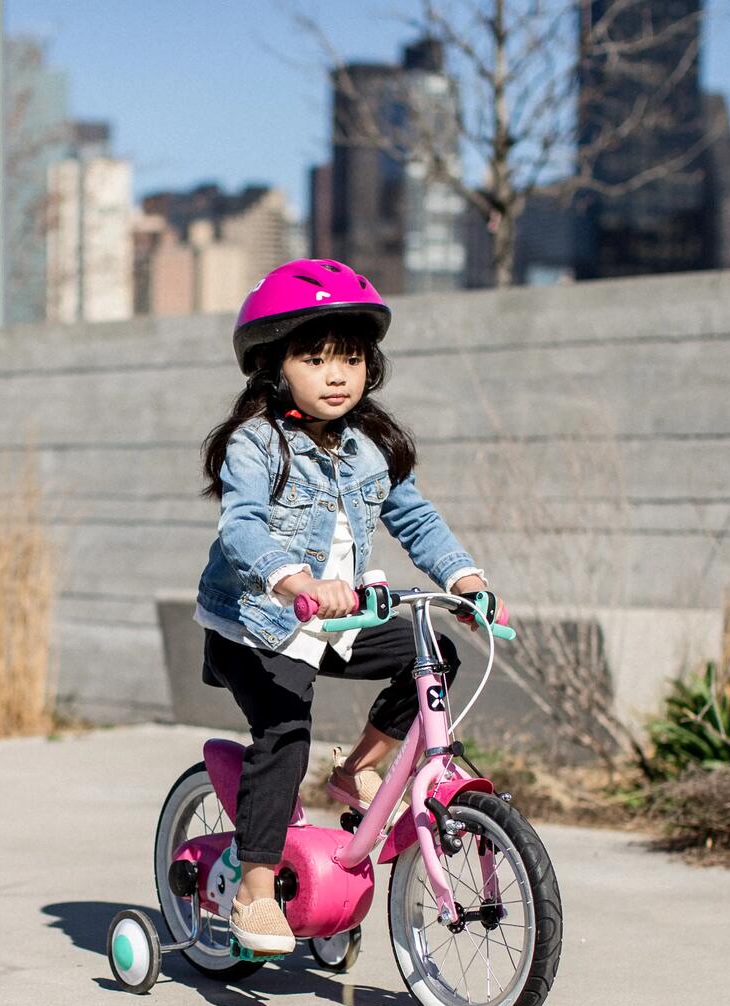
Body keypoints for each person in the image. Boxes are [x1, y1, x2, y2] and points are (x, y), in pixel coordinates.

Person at [193, 260, 504, 955]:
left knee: (434, 655)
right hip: (258, 626)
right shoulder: (256, 443)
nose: (338, 375)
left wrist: (464, 579)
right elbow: (241, 526)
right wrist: (293, 576)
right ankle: (255, 886)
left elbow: (416, 519)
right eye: (316, 358)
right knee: (284, 732)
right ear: (275, 367)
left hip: (338, 623)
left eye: (352, 359)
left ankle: (361, 766)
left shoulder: (371, 448)